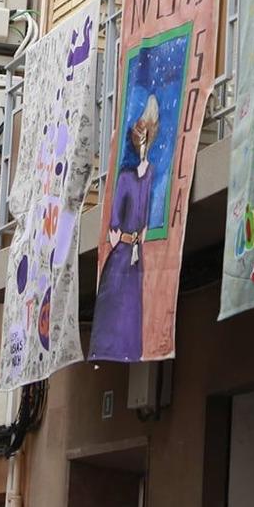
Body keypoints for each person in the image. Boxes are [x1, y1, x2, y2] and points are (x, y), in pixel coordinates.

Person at [91, 93, 159, 359]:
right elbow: (115, 217)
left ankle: (130, 349)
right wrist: (119, 234)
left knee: (132, 305)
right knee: (115, 301)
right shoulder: (126, 177)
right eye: (139, 136)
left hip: (136, 254)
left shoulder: (151, 174)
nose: (142, 142)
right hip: (122, 252)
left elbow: (148, 211)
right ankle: (108, 349)